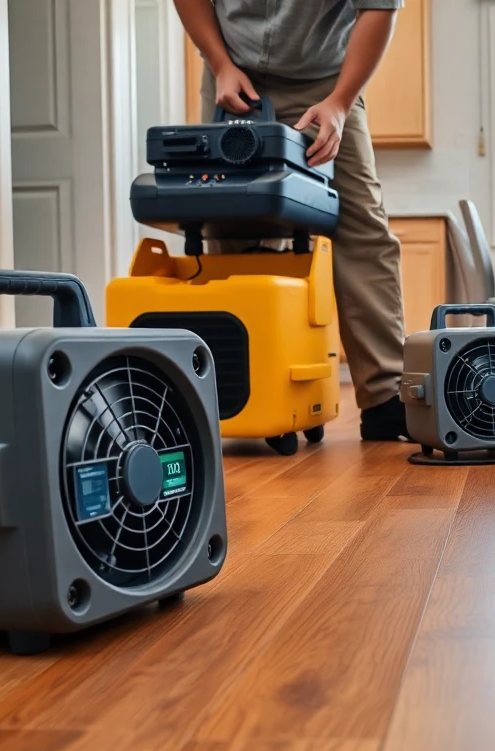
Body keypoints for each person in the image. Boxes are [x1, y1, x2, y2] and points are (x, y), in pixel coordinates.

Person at [174, 0, 409, 441]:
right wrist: (219, 62)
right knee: (232, 219)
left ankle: (385, 397)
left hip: (326, 80)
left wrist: (340, 103)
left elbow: (379, 9)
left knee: (360, 222)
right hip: (234, 73)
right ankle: (253, 389)